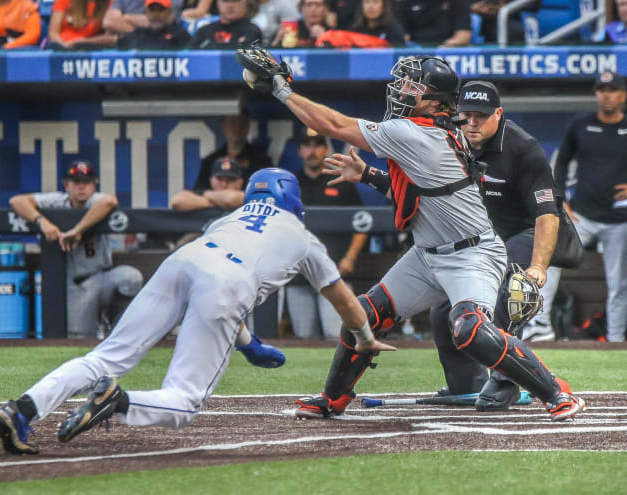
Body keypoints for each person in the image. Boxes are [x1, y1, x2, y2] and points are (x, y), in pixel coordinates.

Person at [239, 48, 585, 421]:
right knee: (364, 315)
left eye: (411, 85)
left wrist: (281, 90)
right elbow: (416, 192)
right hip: (428, 253)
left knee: (470, 328)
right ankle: (333, 397)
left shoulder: (416, 133)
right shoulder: (432, 130)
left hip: (473, 253)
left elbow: (334, 126)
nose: (400, 90)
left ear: (434, 100)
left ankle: (555, 391)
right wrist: (369, 175)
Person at [0, 168, 395, 455]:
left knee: (105, 357)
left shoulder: (228, 217)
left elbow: (210, 284)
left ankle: (22, 409)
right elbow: (343, 300)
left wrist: (248, 342)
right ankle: (119, 401)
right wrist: (364, 338)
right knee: (184, 401)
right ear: (292, 199)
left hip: (182, 261)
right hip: (226, 283)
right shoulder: (304, 238)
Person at [429, 80, 562, 410]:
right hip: (482, 238)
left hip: (524, 233)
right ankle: (467, 385)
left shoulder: (523, 148)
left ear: (498, 114)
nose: (471, 123)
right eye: (466, 115)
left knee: (511, 294)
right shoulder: (451, 140)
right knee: (444, 308)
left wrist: (538, 267)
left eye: (481, 116)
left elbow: (548, 215)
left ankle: (507, 382)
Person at [9, 160, 143, 339]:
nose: (82, 187)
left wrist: (77, 231)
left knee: (131, 277)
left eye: (86, 182)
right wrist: (42, 222)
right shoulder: (58, 201)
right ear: (66, 185)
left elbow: (110, 201)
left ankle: (113, 320)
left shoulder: (96, 201)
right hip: (77, 285)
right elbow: (17, 201)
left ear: (94, 186)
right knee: (79, 340)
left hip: (104, 278)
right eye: (76, 182)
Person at [553, 71, 627, 342]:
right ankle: (540, 328)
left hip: (620, 219)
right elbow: (561, 162)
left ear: (623, 94)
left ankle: (616, 340)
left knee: (619, 284)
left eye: (612, 89)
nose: (606, 94)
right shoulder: (580, 125)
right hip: (582, 215)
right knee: (548, 257)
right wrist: (560, 200)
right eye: (601, 89)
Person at [286, 128, 368, 339]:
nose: (312, 151)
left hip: (335, 273)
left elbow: (362, 223)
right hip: (299, 273)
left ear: (325, 149)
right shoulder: (290, 184)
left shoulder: (340, 180)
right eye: (307, 146)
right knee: (304, 337)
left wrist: (350, 258)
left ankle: (339, 373)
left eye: (317, 146)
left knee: (337, 335)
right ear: (300, 150)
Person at [194, 111, 273, 190]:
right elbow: (198, 192)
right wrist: (216, 197)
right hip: (216, 202)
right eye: (233, 122)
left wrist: (239, 197)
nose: (237, 128)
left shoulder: (261, 160)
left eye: (241, 123)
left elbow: (269, 189)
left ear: (247, 126)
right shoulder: (211, 161)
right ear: (224, 125)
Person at [171, 156, 245, 212]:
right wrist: (218, 202)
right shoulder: (205, 194)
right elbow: (176, 201)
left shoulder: (247, 195)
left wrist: (207, 195)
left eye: (230, 179)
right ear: (211, 181)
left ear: (240, 182)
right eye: (219, 179)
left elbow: (230, 199)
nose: (224, 184)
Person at [116, 0, 191, 50]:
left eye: (160, 9)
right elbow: (118, 46)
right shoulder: (137, 34)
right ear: (146, 11)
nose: (156, 14)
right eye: (152, 9)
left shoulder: (180, 34)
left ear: (169, 11)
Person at [189, 0, 261, 49]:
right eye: (225, 0)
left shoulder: (252, 30)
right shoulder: (205, 30)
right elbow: (190, 52)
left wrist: (209, 45)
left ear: (244, 3)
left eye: (235, 0)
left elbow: (243, 51)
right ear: (217, 3)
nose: (230, 5)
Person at [47, 0, 117, 50]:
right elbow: (53, 33)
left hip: (91, 47)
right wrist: (66, 47)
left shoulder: (108, 2)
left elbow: (109, 35)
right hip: (63, 47)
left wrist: (83, 42)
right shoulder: (63, 1)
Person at [397, 0, 471, 47]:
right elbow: (404, 38)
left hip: (447, 50)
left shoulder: (458, 2)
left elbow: (463, 36)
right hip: (416, 50)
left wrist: (440, 51)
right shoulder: (405, 3)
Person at [471, 0, 542, 43]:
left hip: (512, 15)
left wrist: (504, 5)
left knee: (512, 29)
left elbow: (534, 5)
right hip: (473, 14)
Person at [103, 0, 184, 37]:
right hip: (127, 44)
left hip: (165, 41)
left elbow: (165, 20)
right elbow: (109, 22)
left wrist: (127, 19)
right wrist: (138, 35)